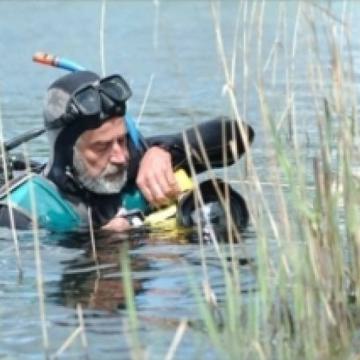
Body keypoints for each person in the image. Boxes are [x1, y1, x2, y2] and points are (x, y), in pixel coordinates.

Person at [0, 70, 254, 232]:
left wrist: (166, 149)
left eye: (121, 140)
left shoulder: (139, 163)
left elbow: (239, 135)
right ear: (67, 152)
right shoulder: (22, 210)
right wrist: (102, 245)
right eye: (101, 147)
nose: (120, 156)